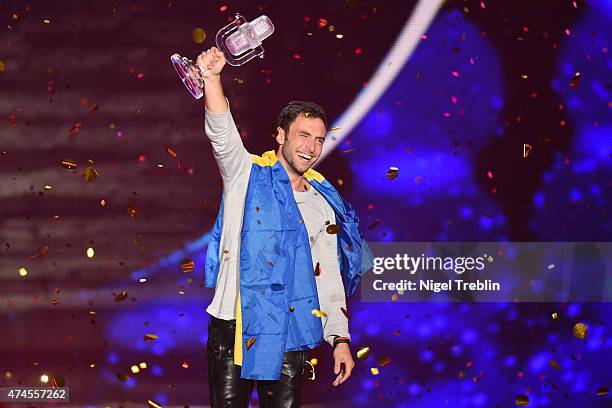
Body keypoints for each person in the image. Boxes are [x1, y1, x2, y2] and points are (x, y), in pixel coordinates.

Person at [199, 47, 373, 408]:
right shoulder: (246, 175)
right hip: (235, 323)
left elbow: (327, 277)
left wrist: (340, 339)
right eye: (303, 135)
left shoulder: (323, 202)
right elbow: (222, 134)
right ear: (280, 136)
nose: (311, 147)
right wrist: (213, 79)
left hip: (289, 331)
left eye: (319, 139)